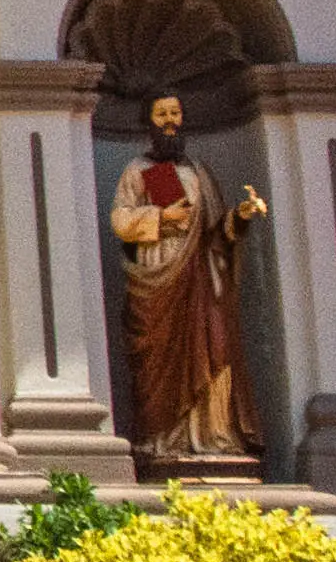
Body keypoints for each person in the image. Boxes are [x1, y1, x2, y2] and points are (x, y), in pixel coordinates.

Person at [112, 89, 267, 466]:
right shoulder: (136, 171)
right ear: (149, 121)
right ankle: (163, 440)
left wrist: (240, 216)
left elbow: (216, 232)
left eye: (175, 113)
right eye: (162, 113)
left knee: (212, 349)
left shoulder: (199, 172)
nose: (169, 120)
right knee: (158, 359)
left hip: (200, 278)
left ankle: (213, 437)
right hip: (156, 276)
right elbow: (120, 220)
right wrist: (162, 219)